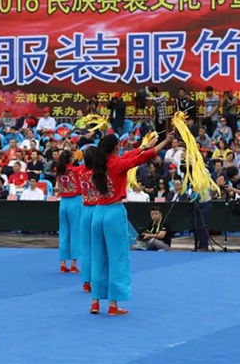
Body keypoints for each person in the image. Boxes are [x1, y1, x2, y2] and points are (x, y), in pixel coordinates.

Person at [90, 131, 173, 315]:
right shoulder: (117, 164)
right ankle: (113, 304)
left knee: (98, 257)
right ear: (115, 147)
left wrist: (146, 144)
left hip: (98, 212)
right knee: (117, 257)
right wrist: (164, 142)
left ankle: (95, 302)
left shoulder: (99, 165)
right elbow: (141, 159)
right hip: (114, 212)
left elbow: (132, 155)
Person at [55, 150, 82, 273]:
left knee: (64, 232)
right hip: (74, 201)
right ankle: (74, 264)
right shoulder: (75, 170)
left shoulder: (59, 170)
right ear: (71, 159)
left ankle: (62, 263)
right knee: (75, 232)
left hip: (63, 202)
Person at [78, 147, 98, 293]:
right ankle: (98, 279)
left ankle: (86, 281)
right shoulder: (100, 173)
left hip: (85, 210)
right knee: (99, 248)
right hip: (98, 209)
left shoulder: (80, 172)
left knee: (86, 247)